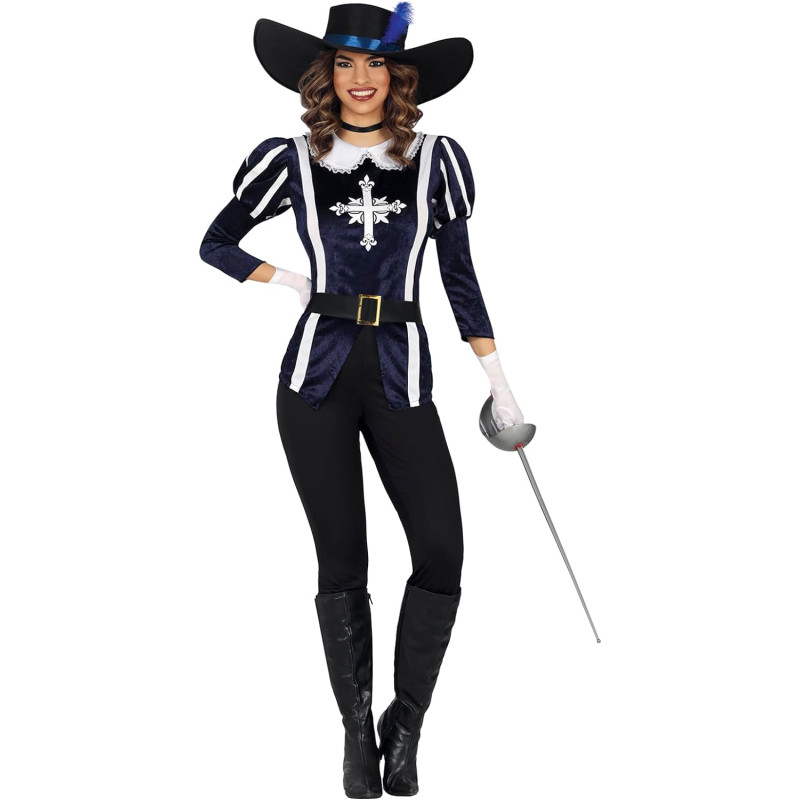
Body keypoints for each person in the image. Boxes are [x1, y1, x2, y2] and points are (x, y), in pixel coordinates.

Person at [199, 3, 524, 797]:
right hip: (314, 379)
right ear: (325, 74)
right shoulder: (290, 159)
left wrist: (500, 384)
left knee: (441, 551)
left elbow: (459, 278)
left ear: (398, 74)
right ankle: (354, 735)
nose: (360, 78)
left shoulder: (436, 159)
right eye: (344, 63)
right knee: (343, 559)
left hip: (401, 373)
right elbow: (215, 242)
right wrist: (290, 280)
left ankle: (404, 727)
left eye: (376, 62)